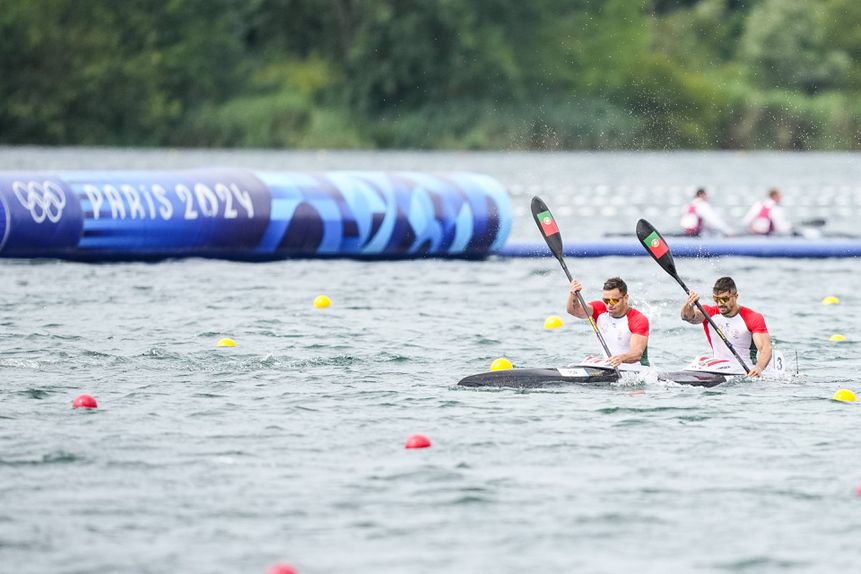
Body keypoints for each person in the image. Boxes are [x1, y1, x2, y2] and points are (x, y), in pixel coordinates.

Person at [680, 276, 772, 377]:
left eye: (724, 299)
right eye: (716, 299)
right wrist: (690, 304)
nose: (720, 304)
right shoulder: (709, 313)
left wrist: (758, 368)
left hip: (745, 373)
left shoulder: (752, 318)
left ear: (736, 296)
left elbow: (765, 349)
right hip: (718, 369)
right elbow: (686, 317)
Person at [567, 276, 650, 369]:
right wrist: (573, 294)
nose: (609, 305)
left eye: (614, 300)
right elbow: (574, 311)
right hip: (609, 366)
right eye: (606, 300)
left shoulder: (637, 319)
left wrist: (621, 358)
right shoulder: (599, 309)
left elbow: (636, 354)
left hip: (637, 370)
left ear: (626, 298)